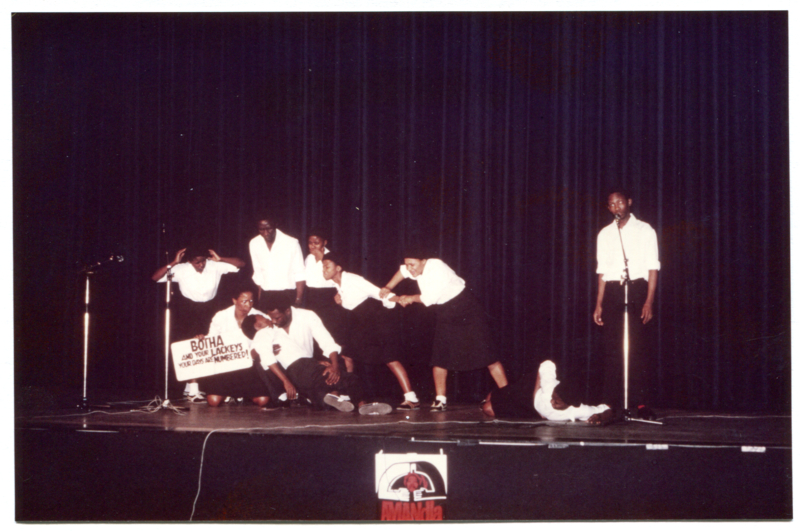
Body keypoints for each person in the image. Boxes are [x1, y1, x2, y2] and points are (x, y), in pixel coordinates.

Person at [379, 250, 508, 411]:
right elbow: (402, 272)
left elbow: (428, 299)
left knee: (488, 355)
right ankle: (440, 400)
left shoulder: (437, 268)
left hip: (466, 310)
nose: (409, 268)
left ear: (424, 260)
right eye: (407, 264)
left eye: (412, 264)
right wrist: (388, 287)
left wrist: (407, 298)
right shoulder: (414, 267)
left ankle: (507, 395)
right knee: (440, 356)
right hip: (445, 312)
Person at [241, 292, 391, 415]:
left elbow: (326, 341)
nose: (273, 321)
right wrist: (267, 352)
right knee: (350, 379)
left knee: (322, 392)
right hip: (295, 370)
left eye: (276, 317)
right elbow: (258, 355)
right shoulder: (266, 332)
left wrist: (334, 365)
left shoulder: (306, 316)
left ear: (287, 310)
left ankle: (330, 399)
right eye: (269, 318)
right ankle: (363, 404)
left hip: (304, 368)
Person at [321, 251, 421, 410]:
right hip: (360, 323)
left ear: (338, 268)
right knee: (348, 355)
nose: (323, 269)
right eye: (322, 266)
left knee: (389, 358)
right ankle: (348, 394)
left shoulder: (353, 279)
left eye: (327, 266)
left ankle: (411, 398)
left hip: (376, 321)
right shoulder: (337, 285)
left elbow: (378, 292)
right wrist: (339, 301)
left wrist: (398, 299)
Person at [593, 188, 660, 419]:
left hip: (636, 289)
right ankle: (611, 404)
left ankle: (640, 404)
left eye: (619, 203)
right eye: (611, 204)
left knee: (636, 349)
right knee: (613, 350)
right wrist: (599, 303)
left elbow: (653, 267)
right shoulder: (604, 234)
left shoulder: (645, 230)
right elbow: (601, 272)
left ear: (629, 202)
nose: (616, 208)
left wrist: (649, 301)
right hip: (613, 290)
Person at [152, 246, 245, 400]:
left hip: (210, 307)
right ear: (189, 261)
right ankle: (193, 389)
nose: (201, 265)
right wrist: (174, 262)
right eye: (197, 263)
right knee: (192, 345)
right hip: (188, 309)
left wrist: (220, 258)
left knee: (210, 345)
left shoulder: (214, 264)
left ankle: (194, 388)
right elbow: (155, 278)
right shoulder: (181, 268)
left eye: (203, 261)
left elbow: (241, 263)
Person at [198, 285, 289, 408]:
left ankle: (243, 395)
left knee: (263, 400)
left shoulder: (260, 316)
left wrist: (269, 347)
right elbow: (211, 339)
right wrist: (201, 339)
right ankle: (230, 394)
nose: (249, 304)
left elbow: (272, 336)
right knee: (213, 401)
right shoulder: (221, 316)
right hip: (226, 365)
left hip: (249, 366)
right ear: (235, 300)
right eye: (244, 301)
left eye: (251, 300)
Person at [481, 360, 614, 425]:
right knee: (490, 398)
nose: (552, 401)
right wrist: (535, 395)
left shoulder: (577, 410)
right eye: (554, 397)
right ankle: (494, 395)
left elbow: (608, 409)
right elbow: (545, 364)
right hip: (532, 392)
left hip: (531, 410)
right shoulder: (550, 387)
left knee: (487, 409)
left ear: (570, 405)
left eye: (557, 402)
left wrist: (600, 417)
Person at [303, 228, 349, 354]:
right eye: (310, 242)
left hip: (328, 297)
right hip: (312, 297)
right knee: (315, 332)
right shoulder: (308, 258)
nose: (312, 245)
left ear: (325, 242)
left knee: (331, 331)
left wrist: (321, 257)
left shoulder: (333, 257)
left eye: (316, 242)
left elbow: (340, 278)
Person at [249, 214, 306, 311]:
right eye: (261, 229)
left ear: (275, 225)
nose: (266, 233)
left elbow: (300, 272)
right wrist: (260, 298)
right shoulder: (254, 243)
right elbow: (258, 272)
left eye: (269, 228)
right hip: (266, 294)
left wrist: (298, 299)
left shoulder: (291, 242)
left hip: (287, 294)